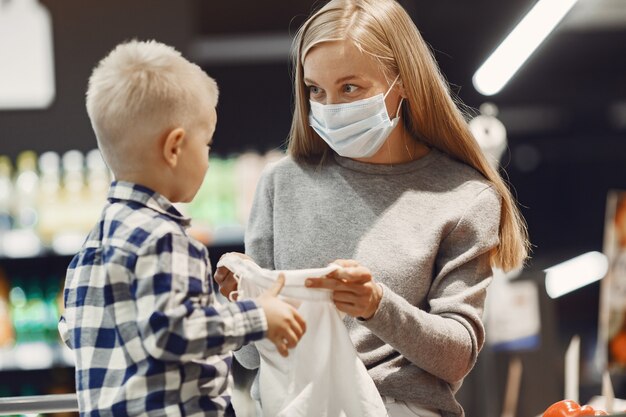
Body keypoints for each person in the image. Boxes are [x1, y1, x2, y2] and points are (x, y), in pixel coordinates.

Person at [215, 1, 530, 416]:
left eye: (350, 88)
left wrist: (376, 305)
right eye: (315, 90)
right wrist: (243, 306)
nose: (329, 107)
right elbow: (253, 362)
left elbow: (457, 356)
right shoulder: (281, 184)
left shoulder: (464, 198)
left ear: (402, 80)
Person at [58, 40, 306, 417]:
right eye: (206, 144)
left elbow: (75, 334)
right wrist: (259, 315)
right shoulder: (164, 239)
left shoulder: (90, 249)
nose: (207, 158)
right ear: (174, 147)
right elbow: (174, 330)